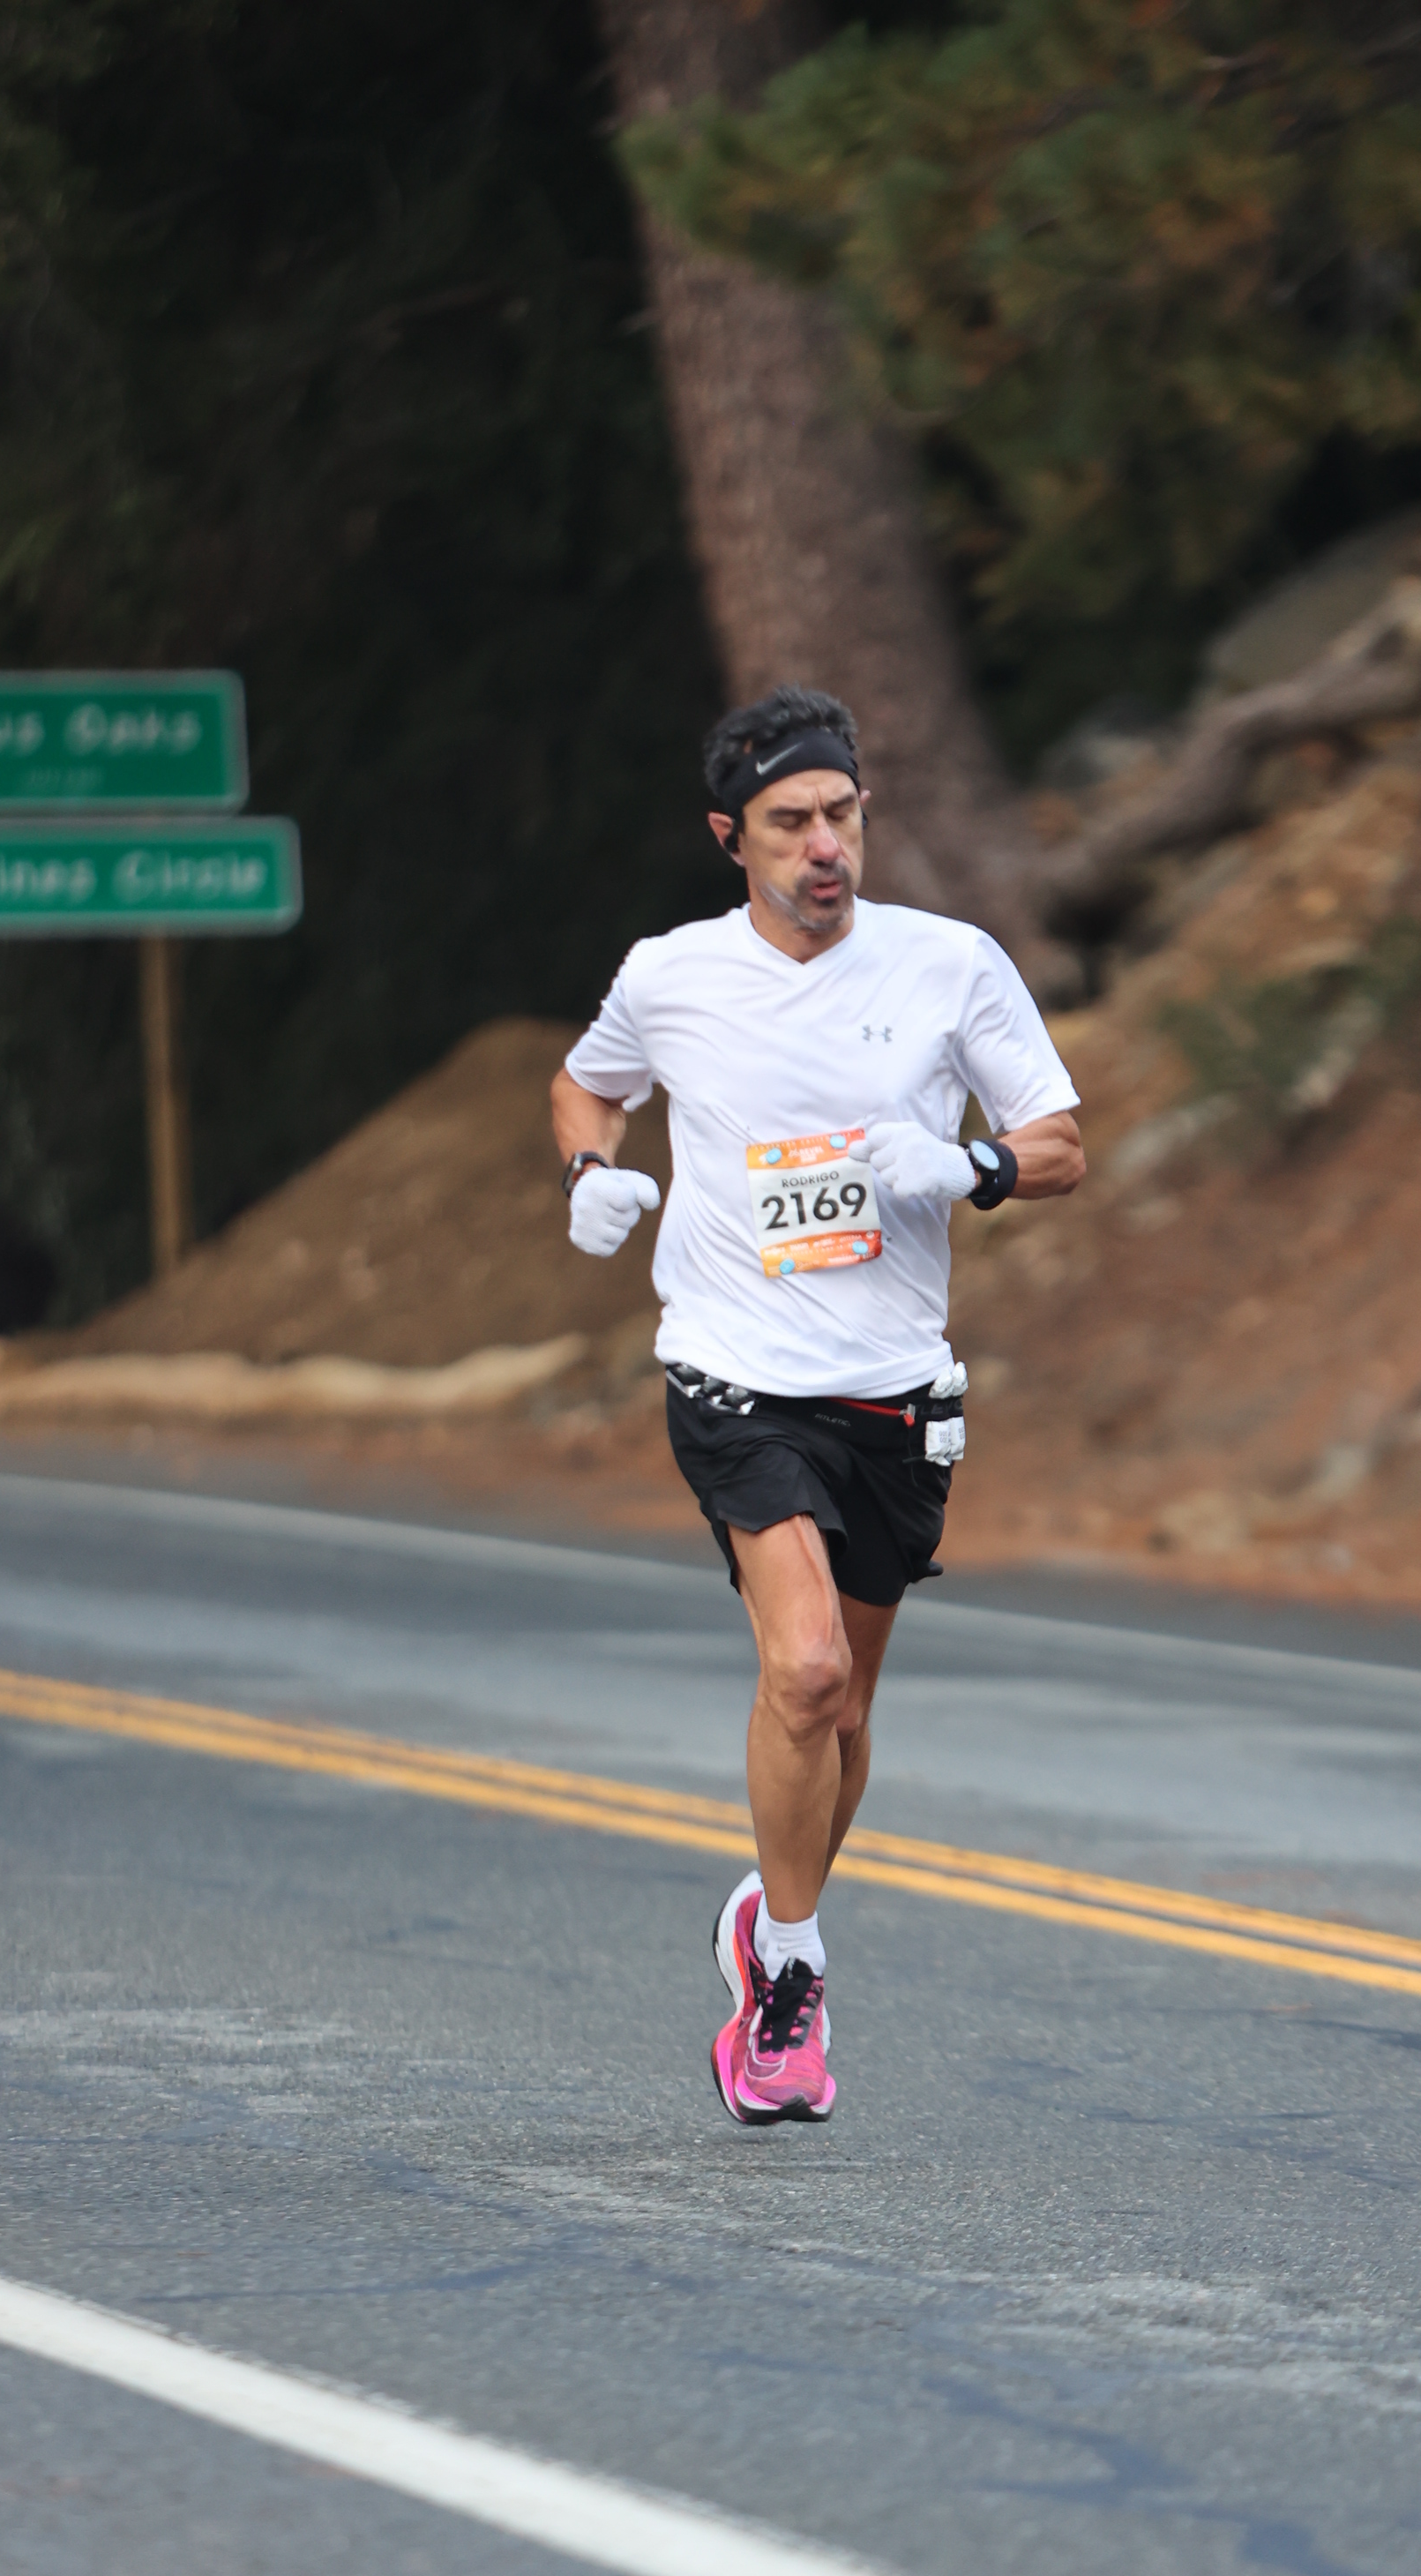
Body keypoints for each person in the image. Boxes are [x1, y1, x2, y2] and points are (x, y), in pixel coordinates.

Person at [550, 684, 1085, 2126]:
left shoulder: (950, 965)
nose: (825, 846)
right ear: (731, 837)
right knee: (804, 1673)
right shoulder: (672, 975)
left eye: (841, 813)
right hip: (735, 1375)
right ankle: (791, 1975)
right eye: (790, 822)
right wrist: (591, 1176)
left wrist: (968, 1167)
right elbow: (586, 1087)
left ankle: (769, 1919)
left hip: (894, 1391)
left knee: (844, 1714)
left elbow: (1059, 1145)